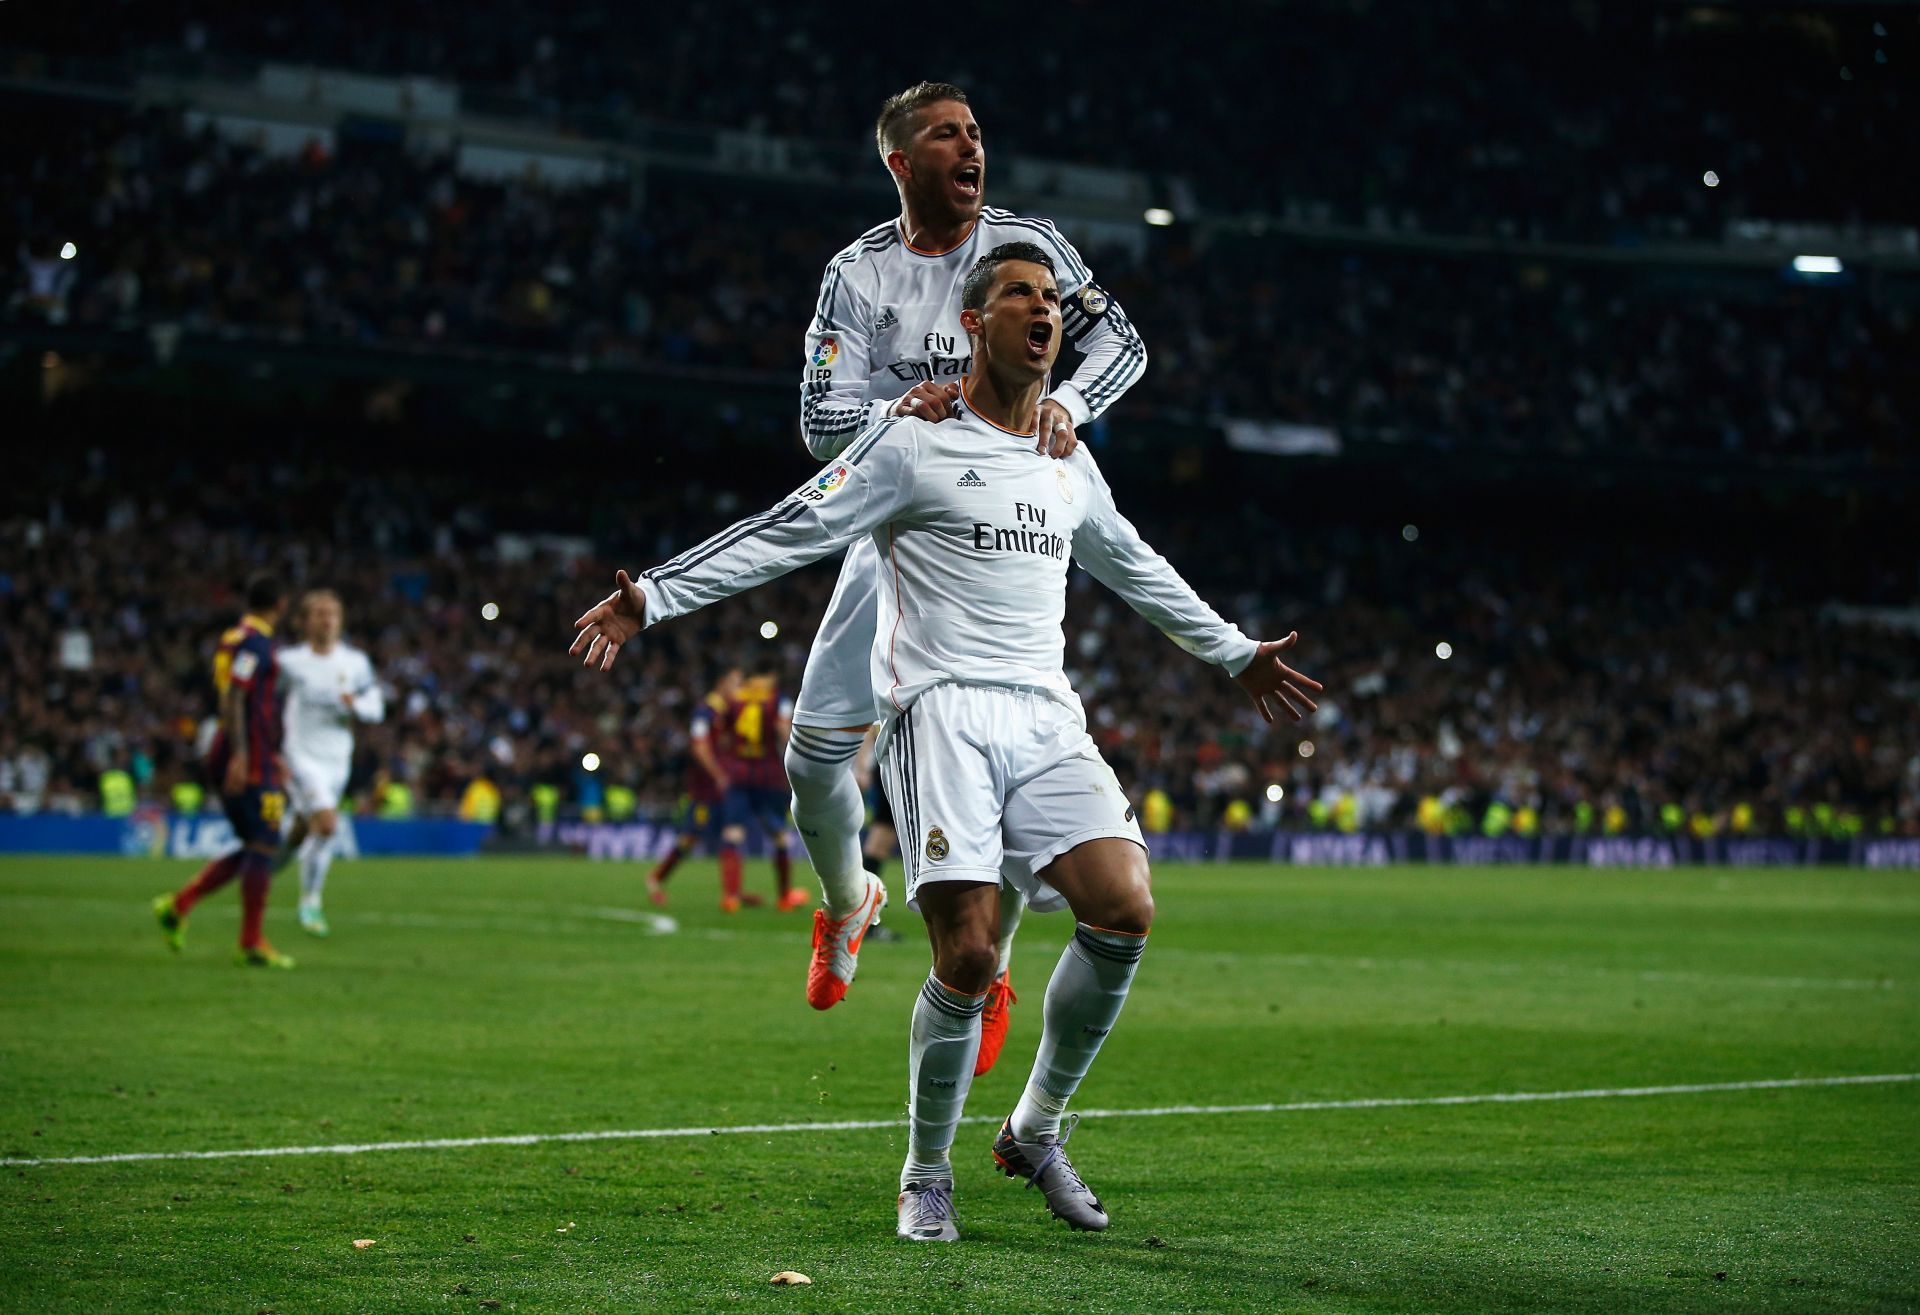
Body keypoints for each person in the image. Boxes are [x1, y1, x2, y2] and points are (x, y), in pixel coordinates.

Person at [571, 243, 1319, 1241]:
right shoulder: (911, 441)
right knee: (966, 955)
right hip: (942, 716)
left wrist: (1235, 654)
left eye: (1052, 298)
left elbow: (1136, 565)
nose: (1045, 309)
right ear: (974, 323)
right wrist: (654, 596)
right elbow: (791, 525)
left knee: (1125, 906)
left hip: (1047, 714)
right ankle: (925, 1171)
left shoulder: (1067, 455)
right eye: (1021, 295)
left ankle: (1035, 1126)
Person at [791, 82, 1150, 1056]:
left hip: (1002, 539)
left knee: (996, 743)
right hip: (901, 534)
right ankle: (848, 900)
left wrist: (1069, 403)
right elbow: (819, 420)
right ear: (901, 163)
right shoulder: (857, 276)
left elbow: (1122, 341)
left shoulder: (1028, 250)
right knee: (812, 762)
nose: (970, 145)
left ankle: (984, 967)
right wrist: (909, 414)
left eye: (977, 131)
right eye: (945, 134)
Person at [153, 573, 298, 968]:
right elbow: (236, 696)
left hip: (253, 751)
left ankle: (179, 905)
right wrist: (242, 754)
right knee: (265, 840)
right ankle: (250, 941)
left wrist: (269, 752)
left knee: (257, 843)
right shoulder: (254, 642)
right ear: (281, 603)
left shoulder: (234, 638)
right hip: (243, 753)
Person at [275, 589, 384, 936]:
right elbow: (266, 704)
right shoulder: (289, 662)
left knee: (304, 828)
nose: (327, 620)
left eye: (333, 613)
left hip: (337, 758)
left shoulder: (354, 663)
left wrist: (354, 705)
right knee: (327, 824)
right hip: (300, 755)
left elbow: (376, 708)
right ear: (303, 622)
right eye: (319, 613)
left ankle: (266, 869)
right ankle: (311, 902)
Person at [713, 657, 806, 913]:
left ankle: (731, 897)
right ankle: (785, 896)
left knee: (733, 831)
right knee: (778, 835)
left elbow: (722, 736)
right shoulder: (777, 699)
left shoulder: (734, 698)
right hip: (768, 774)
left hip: (739, 773)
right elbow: (782, 730)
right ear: (771, 675)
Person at [645, 677, 731, 907]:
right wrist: (719, 775)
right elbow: (699, 747)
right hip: (705, 788)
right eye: (735, 681)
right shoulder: (705, 713)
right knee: (690, 837)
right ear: (722, 683)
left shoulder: (726, 712)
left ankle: (732, 893)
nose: (738, 687)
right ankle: (656, 878)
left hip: (721, 786)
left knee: (731, 834)